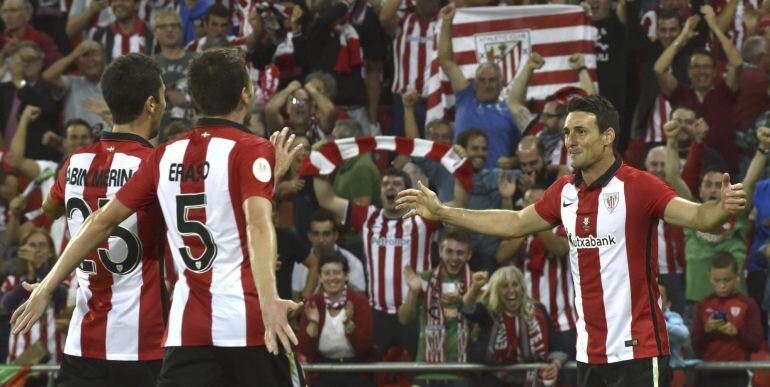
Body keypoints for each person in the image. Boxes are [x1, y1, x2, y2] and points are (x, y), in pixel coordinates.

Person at [395, 94, 748, 387]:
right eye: (567, 132)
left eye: (580, 131)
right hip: (588, 353)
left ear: (608, 136)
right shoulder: (564, 191)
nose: (570, 141)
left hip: (638, 352)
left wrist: (722, 208)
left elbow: (700, 217)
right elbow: (515, 222)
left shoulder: (639, 185)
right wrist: (443, 212)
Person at [11, 48, 305, 387]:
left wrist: (47, 286)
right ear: (246, 93)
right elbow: (253, 223)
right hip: (244, 320)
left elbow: (100, 221)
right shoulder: (251, 148)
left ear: (194, 98)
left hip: (185, 329)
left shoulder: (165, 155)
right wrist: (270, 302)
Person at [6, 54, 168, 385]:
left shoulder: (75, 162)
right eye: (163, 96)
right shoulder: (156, 165)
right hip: (142, 344)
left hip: (83, 342)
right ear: (152, 103)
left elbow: (52, 210)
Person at [314, 167, 441, 359]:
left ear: (407, 192)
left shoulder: (422, 219)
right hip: (378, 314)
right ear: (380, 191)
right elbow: (326, 199)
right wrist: (320, 163)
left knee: (420, 373)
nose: (390, 187)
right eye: (385, 183)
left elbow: (458, 207)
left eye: (397, 184)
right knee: (372, 372)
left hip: (416, 311)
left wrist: (459, 170)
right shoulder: (367, 217)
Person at [438, 3, 520, 169]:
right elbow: (446, 62)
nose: (487, 85)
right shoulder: (465, 96)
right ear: (475, 82)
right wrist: (447, 23)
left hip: (496, 182)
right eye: (482, 80)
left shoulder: (512, 108)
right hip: (461, 176)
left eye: (492, 80)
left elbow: (525, 150)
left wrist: (513, 162)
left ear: (502, 83)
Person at [462, 266, 566, 387]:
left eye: (515, 284)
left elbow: (556, 344)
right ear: (497, 291)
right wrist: (475, 287)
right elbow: (468, 310)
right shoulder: (489, 311)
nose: (511, 290)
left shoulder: (538, 311)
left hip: (532, 380)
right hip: (494, 380)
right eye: (504, 286)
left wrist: (556, 364)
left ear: (522, 288)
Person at [398, 228, 475, 387]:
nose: (454, 258)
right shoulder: (425, 278)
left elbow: (482, 321)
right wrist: (413, 292)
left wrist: (464, 300)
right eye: (449, 251)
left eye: (460, 253)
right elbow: (404, 319)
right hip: (426, 370)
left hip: (461, 373)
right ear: (440, 251)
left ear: (469, 255)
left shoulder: (476, 283)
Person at [298, 250, 374, 387]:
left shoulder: (359, 301)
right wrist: (314, 325)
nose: (332, 278)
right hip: (322, 372)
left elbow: (365, 347)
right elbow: (304, 349)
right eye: (327, 273)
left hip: (356, 371)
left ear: (346, 276)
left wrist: (349, 326)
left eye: (337, 273)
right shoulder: (313, 303)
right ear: (320, 277)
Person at [691, 252, 762, 387]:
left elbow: (756, 344)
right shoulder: (702, 305)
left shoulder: (749, 305)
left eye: (727, 280)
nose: (722, 285)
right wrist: (707, 330)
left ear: (737, 277)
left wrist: (736, 332)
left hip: (737, 373)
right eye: (716, 281)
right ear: (710, 277)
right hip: (707, 373)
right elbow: (695, 345)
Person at [2, 229, 65, 365]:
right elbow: (7, 304)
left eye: (42, 245)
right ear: (23, 251)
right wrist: (31, 276)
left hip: (54, 361)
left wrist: (40, 270)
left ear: (50, 252)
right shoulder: (13, 280)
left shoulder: (61, 280)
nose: (37, 250)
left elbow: (62, 298)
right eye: (32, 246)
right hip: (20, 363)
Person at [292, 209, 366, 295]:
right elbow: (295, 297)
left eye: (326, 234)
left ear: (335, 236)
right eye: (316, 234)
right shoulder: (300, 263)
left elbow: (359, 300)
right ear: (309, 236)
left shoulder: (353, 263)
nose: (321, 240)